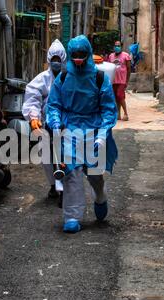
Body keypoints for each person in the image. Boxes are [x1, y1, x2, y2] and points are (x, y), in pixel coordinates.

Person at [46, 35, 118, 233]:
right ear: (70, 55)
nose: (78, 58)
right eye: (74, 55)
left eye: (82, 54)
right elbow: (54, 104)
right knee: (71, 173)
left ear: (87, 54)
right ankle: (72, 216)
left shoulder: (99, 78)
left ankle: (100, 195)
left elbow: (108, 108)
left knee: (94, 173)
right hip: (70, 128)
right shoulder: (62, 78)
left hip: (93, 128)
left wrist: (103, 134)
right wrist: (54, 123)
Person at [22, 39, 67, 200]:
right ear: (49, 59)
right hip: (45, 123)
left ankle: (70, 182)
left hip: (66, 122)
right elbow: (32, 98)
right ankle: (53, 185)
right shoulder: (41, 79)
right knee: (45, 153)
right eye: (53, 59)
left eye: (58, 59)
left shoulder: (69, 77)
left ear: (63, 59)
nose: (56, 62)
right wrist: (33, 117)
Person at [108, 41, 131, 121]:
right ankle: (118, 114)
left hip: (122, 80)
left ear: (121, 46)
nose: (116, 47)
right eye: (115, 46)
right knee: (115, 97)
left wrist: (127, 81)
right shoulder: (111, 56)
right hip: (113, 80)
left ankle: (126, 113)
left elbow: (129, 69)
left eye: (118, 46)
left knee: (120, 96)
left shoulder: (126, 56)